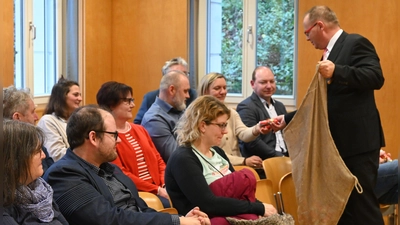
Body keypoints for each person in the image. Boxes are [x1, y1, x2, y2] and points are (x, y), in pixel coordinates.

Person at [272, 6, 385, 225]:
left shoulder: (355, 42)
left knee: (363, 208)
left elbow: (375, 77)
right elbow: (323, 104)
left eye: (307, 33)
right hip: (336, 148)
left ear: (319, 25)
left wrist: (338, 71)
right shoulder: (329, 54)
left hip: (358, 145)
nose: (306, 39)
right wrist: (286, 119)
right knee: (342, 210)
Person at [43, 105, 210, 225]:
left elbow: (140, 210)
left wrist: (181, 218)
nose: (119, 140)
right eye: (113, 134)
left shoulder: (110, 168)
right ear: (93, 138)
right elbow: (108, 219)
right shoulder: (64, 174)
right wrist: (177, 222)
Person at [165, 95, 277, 224]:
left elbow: (239, 194)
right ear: (202, 126)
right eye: (221, 125)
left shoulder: (217, 152)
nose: (225, 132)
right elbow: (209, 204)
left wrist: (262, 208)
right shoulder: (183, 158)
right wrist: (258, 208)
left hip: (230, 216)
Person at [96, 81, 170, 207]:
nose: (133, 105)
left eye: (132, 100)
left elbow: (158, 160)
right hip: (138, 193)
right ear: (111, 104)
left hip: (160, 188)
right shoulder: (107, 136)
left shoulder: (139, 129)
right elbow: (121, 174)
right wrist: (156, 190)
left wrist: (164, 184)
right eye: (127, 101)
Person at [197, 72, 271, 168]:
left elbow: (243, 133)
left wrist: (258, 128)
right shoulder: (199, 118)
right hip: (216, 168)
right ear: (205, 91)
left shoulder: (231, 113)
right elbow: (213, 152)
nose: (223, 92)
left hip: (236, 167)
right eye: (217, 88)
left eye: (224, 88)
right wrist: (244, 161)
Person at [3, 120, 68, 224]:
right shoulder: (5, 208)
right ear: (15, 158)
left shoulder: (41, 190)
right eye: (37, 151)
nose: (43, 156)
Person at [236, 66, 288, 161]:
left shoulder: (280, 106)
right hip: (265, 163)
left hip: (285, 157)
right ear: (252, 84)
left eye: (272, 81)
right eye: (263, 82)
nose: (269, 86)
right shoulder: (246, 107)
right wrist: (281, 158)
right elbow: (252, 142)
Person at [141, 70, 191, 163]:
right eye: (185, 91)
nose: (188, 96)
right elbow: (177, 156)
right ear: (172, 90)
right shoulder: (154, 119)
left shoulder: (181, 109)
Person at [3, 86, 54, 173]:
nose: (37, 117)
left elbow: (52, 171)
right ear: (17, 117)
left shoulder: (36, 141)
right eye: (32, 112)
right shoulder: (10, 155)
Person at [134, 57, 197, 124]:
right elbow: (138, 124)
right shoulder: (150, 98)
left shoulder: (196, 96)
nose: (182, 77)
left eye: (185, 73)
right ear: (166, 78)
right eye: (176, 74)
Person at [37, 77, 82, 161]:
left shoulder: (78, 120)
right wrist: (86, 153)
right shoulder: (48, 121)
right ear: (62, 97)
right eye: (75, 95)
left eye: (80, 95)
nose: (80, 99)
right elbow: (56, 155)